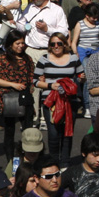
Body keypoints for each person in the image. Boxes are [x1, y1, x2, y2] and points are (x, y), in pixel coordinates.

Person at [33, 32, 81, 166]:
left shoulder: (73, 58)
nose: (56, 46)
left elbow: (81, 75)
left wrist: (82, 78)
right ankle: (54, 162)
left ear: (65, 44)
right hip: (50, 101)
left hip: (69, 100)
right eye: (52, 44)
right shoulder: (44, 59)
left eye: (59, 43)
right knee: (53, 133)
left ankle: (65, 163)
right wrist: (50, 85)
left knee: (67, 133)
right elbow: (35, 81)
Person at [0, 30, 36, 162]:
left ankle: (27, 158)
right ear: (10, 44)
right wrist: (13, 84)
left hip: (25, 97)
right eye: (17, 43)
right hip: (8, 98)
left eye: (22, 43)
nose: (20, 46)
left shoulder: (27, 59)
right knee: (9, 131)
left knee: (28, 131)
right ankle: (10, 160)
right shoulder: (2, 59)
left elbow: (31, 78)